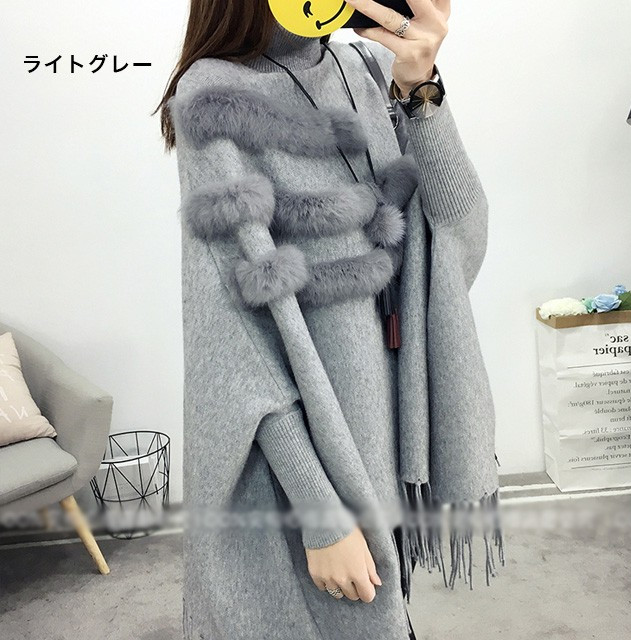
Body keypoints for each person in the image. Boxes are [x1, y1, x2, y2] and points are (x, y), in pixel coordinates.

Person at [156, 1, 504, 638]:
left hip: (382, 422)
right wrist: (320, 512)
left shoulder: (360, 67)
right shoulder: (214, 96)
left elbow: (455, 235)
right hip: (306, 460)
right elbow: (233, 338)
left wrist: (420, 90)